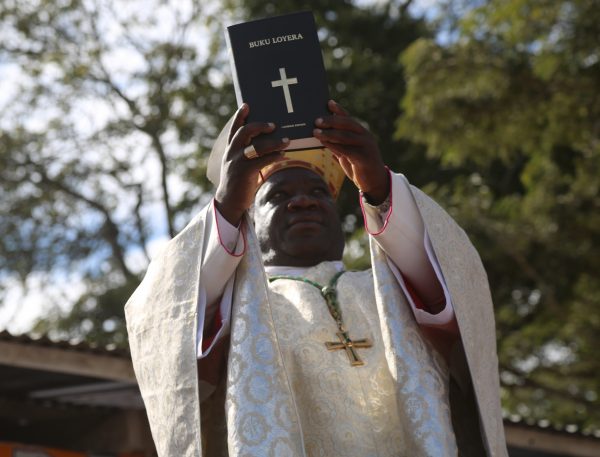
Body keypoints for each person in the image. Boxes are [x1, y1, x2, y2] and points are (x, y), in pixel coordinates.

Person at [125, 100, 508, 457]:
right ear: (250, 224)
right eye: (277, 196)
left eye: (318, 192)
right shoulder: (241, 305)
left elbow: (457, 288)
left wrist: (380, 187)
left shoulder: (390, 287)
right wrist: (225, 207)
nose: (303, 201)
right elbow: (170, 320)